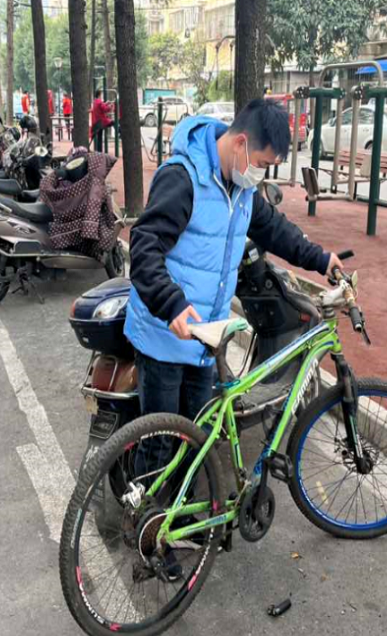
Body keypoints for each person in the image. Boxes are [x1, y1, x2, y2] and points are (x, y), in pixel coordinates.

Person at [125, 99, 343, 480]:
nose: (260, 173)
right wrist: (170, 303)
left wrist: (321, 259)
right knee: (160, 443)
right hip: (165, 335)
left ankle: (182, 507)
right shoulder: (183, 178)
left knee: (198, 440)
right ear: (241, 143)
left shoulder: (242, 191)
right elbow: (144, 247)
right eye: (261, 163)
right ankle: (145, 513)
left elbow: (274, 229)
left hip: (206, 341)